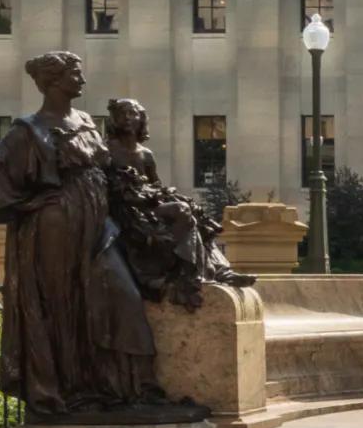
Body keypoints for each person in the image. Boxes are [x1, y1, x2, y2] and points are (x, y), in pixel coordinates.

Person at [0, 51, 162, 416]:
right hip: (56, 226)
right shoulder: (30, 129)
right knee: (62, 303)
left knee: (120, 295)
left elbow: (112, 170)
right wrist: (28, 204)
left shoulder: (87, 121)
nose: (82, 80)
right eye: (75, 73)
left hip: (99, 224)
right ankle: (67, 390)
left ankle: (120, 387)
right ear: (53, 80)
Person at [103, 97, 253, 308]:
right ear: (114, 119)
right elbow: (105, 187)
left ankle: (220, 270)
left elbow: (156, 186)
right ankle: (190, 274)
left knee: (196, 217)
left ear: (141, 119)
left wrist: (165, 194)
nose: (127, 118)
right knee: (180, 211)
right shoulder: (106, 150)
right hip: (127, 210)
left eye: (133, 113)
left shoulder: (146, 155)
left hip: (149, 205)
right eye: (122, 113)